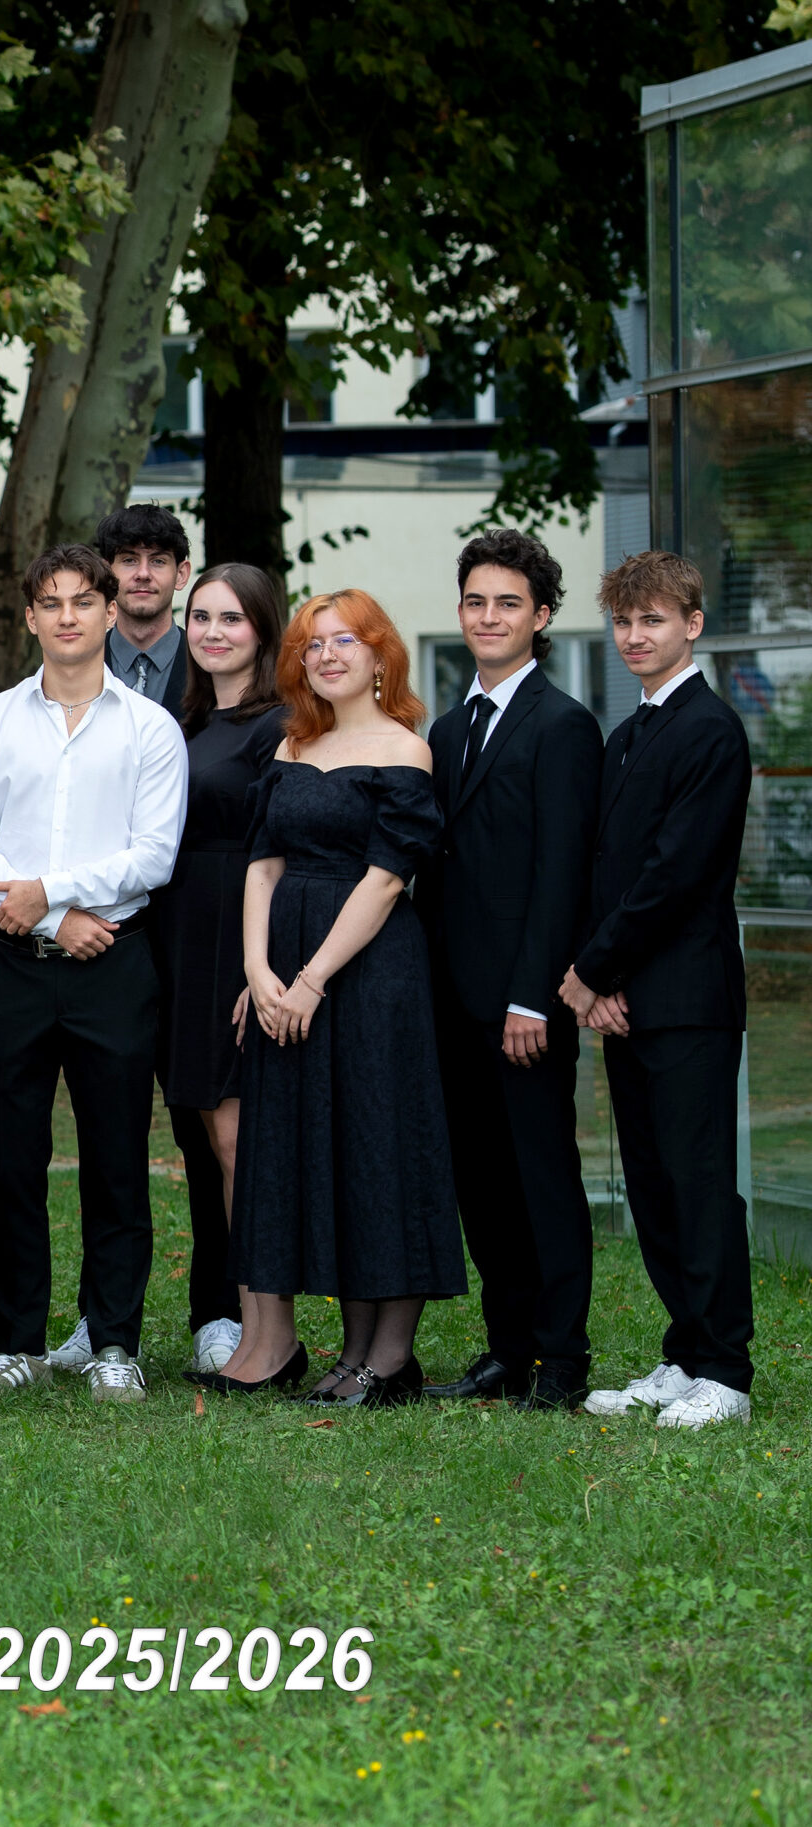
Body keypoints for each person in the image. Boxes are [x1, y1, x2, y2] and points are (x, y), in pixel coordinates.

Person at [0, 545, 185, 1404]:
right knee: (11, 1159)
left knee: (116, 1158)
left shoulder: (149, 727)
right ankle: (17, 1342)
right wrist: (55, 919)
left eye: (84, 601)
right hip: (13, 966)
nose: (67, 616)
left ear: (110, 612)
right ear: (30, 617)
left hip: (115, 965)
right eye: (50, 603)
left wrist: (50, 890)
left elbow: (153, 855)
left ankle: (114, 1340)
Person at [223, 589, 465, 1407]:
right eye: (312, 644)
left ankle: (388, 1360)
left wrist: (311, 979)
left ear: (379, 655)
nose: (326, 656)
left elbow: (387, 879)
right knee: (327, 1149)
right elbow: (262, 864)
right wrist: (258, 970)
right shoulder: (293, 744)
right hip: (285, 968)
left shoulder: (406, 749)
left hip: (369, 975)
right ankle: (353, 1351)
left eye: (344, 642)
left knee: (379, 1146)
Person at [561, 552, 754, 1430]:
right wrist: (600, 982)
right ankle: (685, 1354)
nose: (635, 636)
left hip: (686, 999)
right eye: (624, 621)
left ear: (692, 625)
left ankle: (726, 1373)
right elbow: (605, 871)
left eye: (654, 620)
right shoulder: (630, 732)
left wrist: (591, 969)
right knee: (652, 1185)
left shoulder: (710, 730)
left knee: (699, 1183)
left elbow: (675, 877)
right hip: (628, 1001)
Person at [416, 531, 603, 1411]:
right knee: (483, 1185)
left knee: (541, 1180)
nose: (488, 617)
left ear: (542, 616)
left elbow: (563, 874)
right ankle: (509, 1349)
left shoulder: (564, 726)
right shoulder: (447, 729)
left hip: (524, 1002)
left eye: (508, 603)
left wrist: (534, 996)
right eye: (476, 601)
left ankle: (562, 1359)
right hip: (452, 1000)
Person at [149, 563, 285, 1380]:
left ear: (263, 628)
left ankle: (267, 1331)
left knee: (240, 1141)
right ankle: (247, 1324)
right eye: (200, 617)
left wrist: (258, 964)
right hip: (181, 940)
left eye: (231, 618)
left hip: (242, 939)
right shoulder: (189, 721)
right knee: (210, 1138)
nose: (212, 632)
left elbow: (282, 850)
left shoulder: (280, 724)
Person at [94, 503, 191, 713]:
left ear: (181, 575)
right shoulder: (80, 664)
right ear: (106, 573)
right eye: (129, 560)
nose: (143, 574)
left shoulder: (209, 665)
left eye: (158, 561)